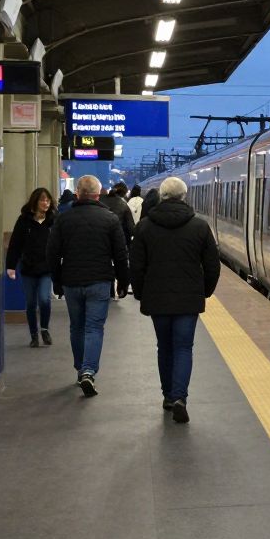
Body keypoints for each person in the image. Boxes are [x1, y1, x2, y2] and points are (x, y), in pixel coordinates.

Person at [131, 177, 220, 423]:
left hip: (157, 298)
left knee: (164, 347)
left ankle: (168, 396)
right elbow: (212, 265)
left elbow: (136, 266)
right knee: (183, 347)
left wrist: (140, 293)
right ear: (184, 196)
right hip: (188, 299)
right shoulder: (199, 227)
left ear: (162, 196)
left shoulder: (145, 227)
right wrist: (205, 291)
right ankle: (180, 397)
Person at [46, 175, 129, 397]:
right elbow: (120, 255)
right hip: (100, 281)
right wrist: (123, 282)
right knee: (94, 327)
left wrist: (56, 282)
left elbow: (52, 254)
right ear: (98, 194)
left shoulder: (63, 219)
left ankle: (80, 369)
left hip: (72, 281)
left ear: (77, 194)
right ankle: (88, 371)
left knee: (77, 326)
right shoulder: (110, 219)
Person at [5, 187, 56, 347]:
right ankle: (34, 334)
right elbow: (15, 245)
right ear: (35, 202)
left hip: (46, 268)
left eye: (48, 200)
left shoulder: (53, 220)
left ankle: (44, 329)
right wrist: (11, 266)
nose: (45, 203)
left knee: (44, 299)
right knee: (30, 303)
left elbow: (60, 242)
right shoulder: (24, 220)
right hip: (28, 268)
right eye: (42, 200)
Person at [100, 181, 134, 248]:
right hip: (117, 240)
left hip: (101, 238)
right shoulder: (123, 205)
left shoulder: (101, 200)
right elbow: (131, 227)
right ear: (124, 193)